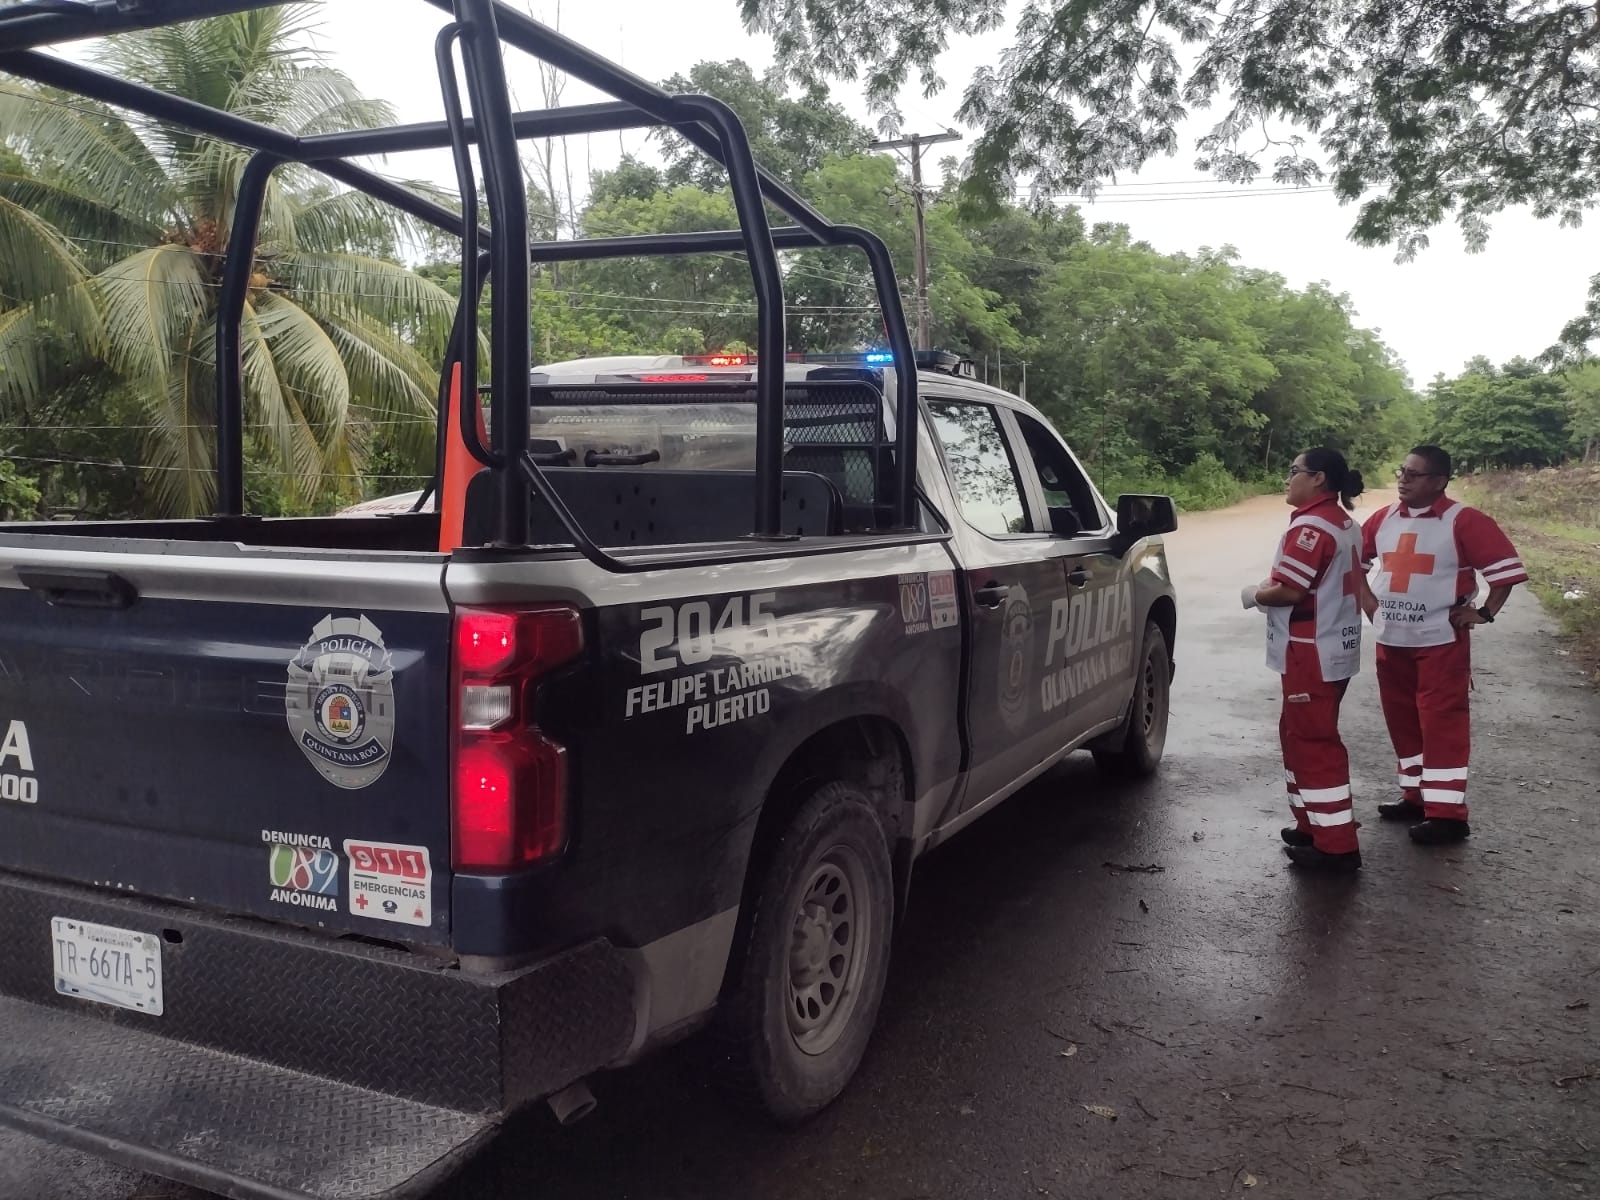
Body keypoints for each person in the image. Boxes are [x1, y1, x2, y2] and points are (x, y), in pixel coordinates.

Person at [1359, 445, 1529, 845]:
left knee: (1441, 723)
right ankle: (1416, 797)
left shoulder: (1464, 521)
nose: (1403, 479)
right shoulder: (1382, 520)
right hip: (1391, 640)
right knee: (1402, 720)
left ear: (1439, 481)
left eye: (1415, 474)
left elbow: (1504, 571)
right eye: (1402, 471)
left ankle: (1448, 815)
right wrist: (1371, 606)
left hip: (1440, 642)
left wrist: (1484, 612)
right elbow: (1356, 565)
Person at [1243, 448, 1369, 873]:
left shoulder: (1312, 528)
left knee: (1313, 742)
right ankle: (1311, 823)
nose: (1287, 478)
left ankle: (1336, 844)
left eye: (1293, 471)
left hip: (1312, 649)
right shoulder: (1342, 521)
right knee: (1297, 734)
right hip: (1331, 646)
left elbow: (1291, 591)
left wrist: (1254, 594)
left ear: (1317, 479)